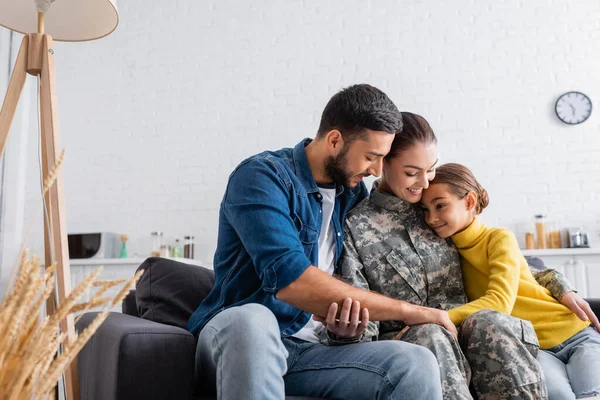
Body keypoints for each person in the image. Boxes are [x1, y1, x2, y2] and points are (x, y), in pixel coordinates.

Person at [187, 84, 454, 400]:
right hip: (237, 341)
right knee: (253, 319)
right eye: (371, 156)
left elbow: (342, 281)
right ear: (335, 140)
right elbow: (292, 281)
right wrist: (414, 311)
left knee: (414, 362)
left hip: (309, 352)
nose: (376, 170)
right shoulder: (262, 177)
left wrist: (343, 326)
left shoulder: (352, 194)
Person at [340, 112, 593, 400]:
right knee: (430, 333)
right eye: (412, 172)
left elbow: (506, 260)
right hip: (414, 340)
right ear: (383, 161)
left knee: (492, 320)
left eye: (430, 169)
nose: (423, 183)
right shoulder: (356, 225)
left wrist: (561, 287)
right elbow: (359, 307)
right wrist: (348, 333)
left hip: (476, 332)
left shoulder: (442, 208)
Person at [421, 163, 600, 400]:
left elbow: (500, 301)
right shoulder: (446, 254)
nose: (431, 218)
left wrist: (434, 316)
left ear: (469, 201)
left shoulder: (498, 238)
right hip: (537, 348)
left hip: (574, 332)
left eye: (440, 205)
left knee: (592, 394)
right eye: (425, 209)